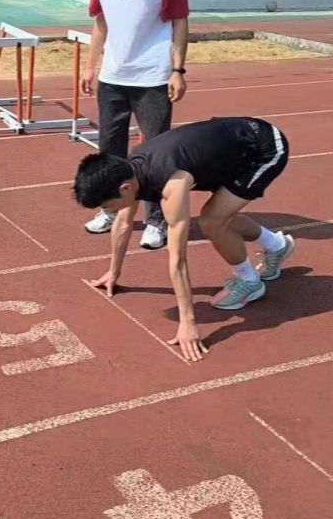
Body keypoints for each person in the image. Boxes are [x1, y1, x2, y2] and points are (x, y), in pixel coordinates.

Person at [73, 116, 296, 362]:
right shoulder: (128, 172)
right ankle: (276, 245)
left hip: (263, 148)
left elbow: (178, 259)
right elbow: (123, 224)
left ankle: (249, 282)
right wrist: (113, 272)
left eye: (107, 205)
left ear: (125, 189)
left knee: (212, 220)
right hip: (229, 150)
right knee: (222, 213)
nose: (108, 211)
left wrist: (188, 321)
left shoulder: (172, 182)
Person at [80, 0, 189, 251]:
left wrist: (177, 69)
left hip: (153, 76)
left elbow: (179, 20)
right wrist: (91, 65)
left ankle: (155, 220)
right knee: (110, 148)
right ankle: (110, 211)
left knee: (154, 151)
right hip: (113, 75)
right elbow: (100, 22)